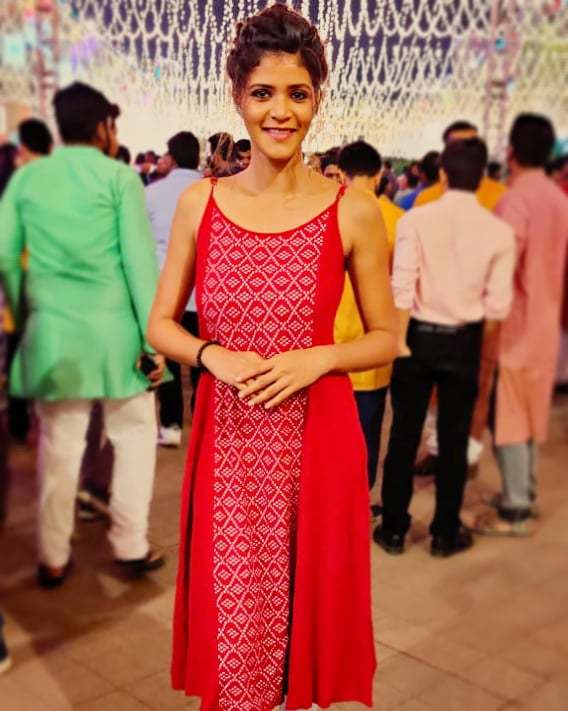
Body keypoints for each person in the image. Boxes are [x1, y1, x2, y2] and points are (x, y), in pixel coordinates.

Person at [147, 5, 397, 709]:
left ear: (317, 98)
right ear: (238, 97)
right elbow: (160, 324)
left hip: (320, 442)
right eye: (263, 93)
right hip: (230, 448)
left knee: (303, 637)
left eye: (297, 93)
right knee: (237, 645)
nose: (280, 112)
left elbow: (385, 336)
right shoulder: (201, 202)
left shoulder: (351, 209)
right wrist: (211, 354)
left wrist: (319, 358)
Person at [0, 81, 166, 588]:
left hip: (54, 336)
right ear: (102, 127)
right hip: (117, 336)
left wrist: (26, 314)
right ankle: (130, 543)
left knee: (59, 445)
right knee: (134, 436)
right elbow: (139, 264)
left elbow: (5, 255)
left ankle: (53, 554)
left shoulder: (29, 179)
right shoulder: (119, 178)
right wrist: (154, 342)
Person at [374, 137, 515, 557]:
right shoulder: (499, 233)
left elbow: (401, 288)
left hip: (416, 336)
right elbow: (498, 307)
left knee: (403, 434)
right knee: (454, 440)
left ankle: (394, 529)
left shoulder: (416, 220)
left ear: (443, 174)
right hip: (464, 340)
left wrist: (399, 342)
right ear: (482, 178)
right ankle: (444, 533)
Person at [474, 114, 568, 536]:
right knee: (530, 410)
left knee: (509, 415)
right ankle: (524, 492)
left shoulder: (516, 201)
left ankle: (515, 510)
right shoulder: (557, 198)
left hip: (515, 326)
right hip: (545, 323)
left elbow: (502, 261)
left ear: (511, 151)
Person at [414, 120, 509, 477]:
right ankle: (436, 449)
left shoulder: (500, 197)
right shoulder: (427, 198)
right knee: (434, 392)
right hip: (433, 312)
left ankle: (467, 456)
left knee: (479, 388)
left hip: (483, 312)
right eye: (456, 147)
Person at [334, 140, 403, 518]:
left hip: (326, 347)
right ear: (378, 175)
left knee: (325, 434)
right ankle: (357, 505)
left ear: (341, 175)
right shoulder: (397, 220)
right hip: (372, 349)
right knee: (367, 431)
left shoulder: (327, 213)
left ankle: (327, 503)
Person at [146, 131, 202, 447]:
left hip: (166, 290)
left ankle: (170, 426)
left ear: (171, 157)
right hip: (205, 294)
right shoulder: (215, 192)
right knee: (203, 362)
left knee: (167, 359)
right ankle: (204, 422)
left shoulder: (152, 193)